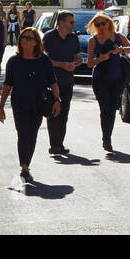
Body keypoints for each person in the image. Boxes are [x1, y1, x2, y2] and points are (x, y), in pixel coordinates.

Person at [0, 27, 60, 183]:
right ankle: (24, 167)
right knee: (23, 134)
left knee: (33, 134)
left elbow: (53, 82)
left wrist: (57, 101)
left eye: (29, 38)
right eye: (23, 37)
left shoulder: (44, 60)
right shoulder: (14, 61)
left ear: (36, 43)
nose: (24, 40)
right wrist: (1, 106)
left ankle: (26, 164)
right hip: (20, 103)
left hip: (39, 102)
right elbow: (7, 85)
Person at [85, 12, 130, 155]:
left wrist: (121, 49)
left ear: (109, 23)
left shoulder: (118, 36)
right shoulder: (93, 41)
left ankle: (108, 137)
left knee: (112, 110)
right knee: (104, 108)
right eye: (97, 24)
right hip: (100, 79)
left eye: (103, 23)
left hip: (117, 77)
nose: (100, 27)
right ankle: (106, 139)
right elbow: (89, 63)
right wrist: (101, 59)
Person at [42, 10, 84, 156]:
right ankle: (54, 145)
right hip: (52, 81)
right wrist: (62, 64)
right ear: (61, 22)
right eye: (70, 22)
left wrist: (76, 62)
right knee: (54, 112)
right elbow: (43, 60)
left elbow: (78, 56)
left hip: (68, 81)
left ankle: (59, 143)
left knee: (64, 113)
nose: (73, 25)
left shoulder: (73, 38)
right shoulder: (49, 37)